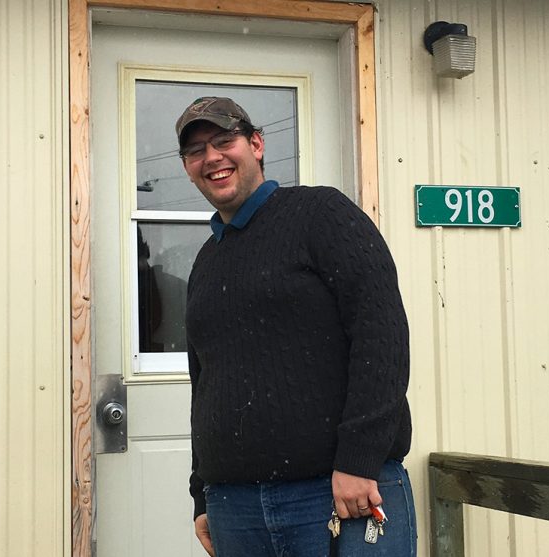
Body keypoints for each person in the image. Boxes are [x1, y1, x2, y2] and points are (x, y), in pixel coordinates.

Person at [178, 96, 415, 557]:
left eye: (224, 141)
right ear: (188, 167)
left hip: (342, 494)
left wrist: (359, 461)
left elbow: (382, 334)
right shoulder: (206, 262)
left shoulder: (320, 214)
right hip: (236, 508)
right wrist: (202, 493)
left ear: (257, 145)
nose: (212, 158)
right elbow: (204, 383)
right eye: (196, 151)